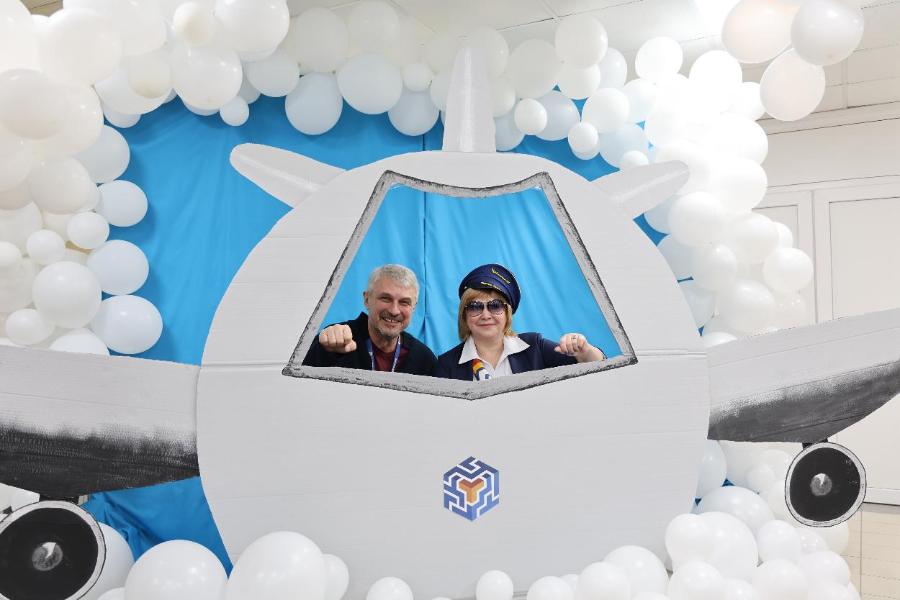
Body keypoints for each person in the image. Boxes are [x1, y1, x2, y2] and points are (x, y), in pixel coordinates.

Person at [436, 263, 605, 380]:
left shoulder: (535, 348)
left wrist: (584, 350)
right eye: (475, 307)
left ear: (507, 313)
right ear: (464, 314)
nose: (486, 315)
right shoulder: (446, 365)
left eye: (495, 306)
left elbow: (596, 368)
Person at [302, 264, 437, 375]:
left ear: (413, 307)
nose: (394, 311)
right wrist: (323, 349)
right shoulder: (336, 341)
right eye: (386, 299)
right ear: (367, 299)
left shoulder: (424, 360)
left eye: (404, 302)